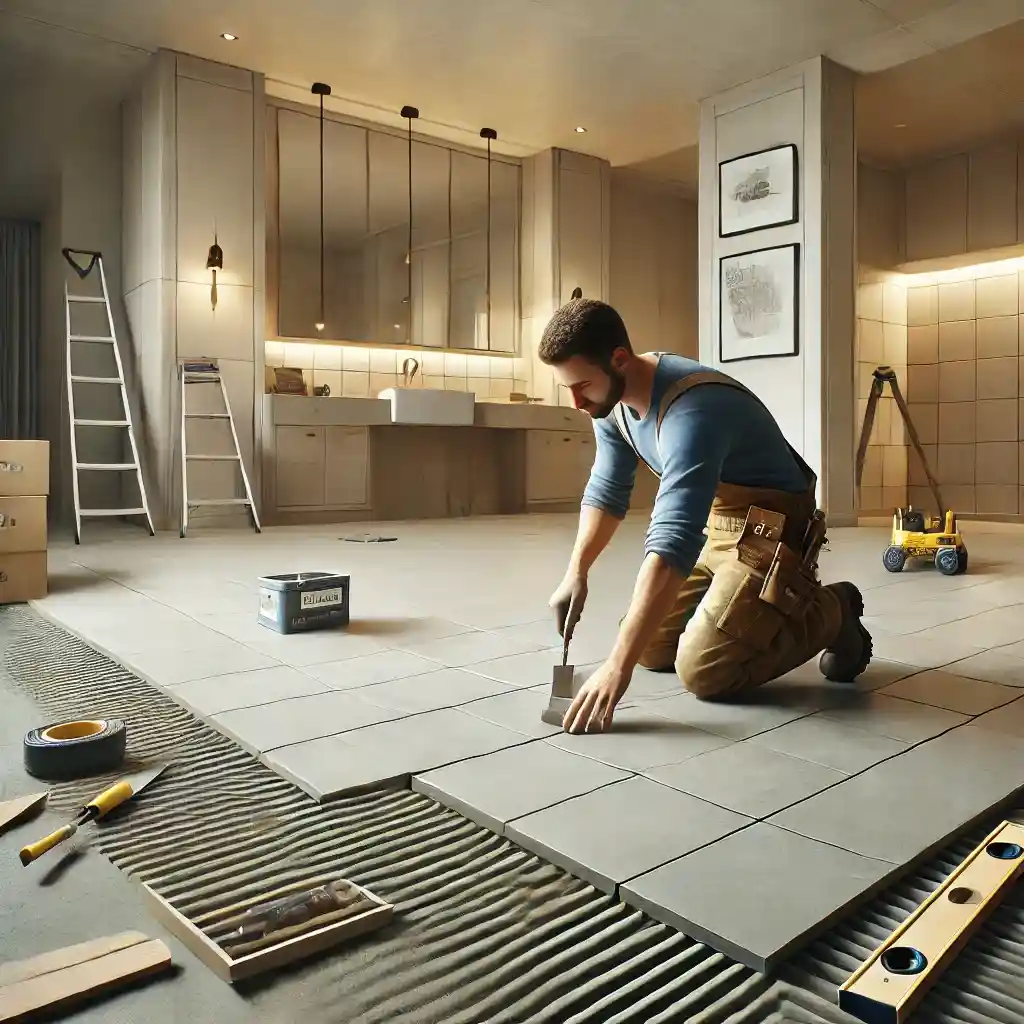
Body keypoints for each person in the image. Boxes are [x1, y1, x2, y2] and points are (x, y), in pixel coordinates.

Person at [540, 298, 872, 735]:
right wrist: (575, 573)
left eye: (581, 385)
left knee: (705, 669)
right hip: (719, 525)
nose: (576, 402)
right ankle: (736, 608)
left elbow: (672, 540)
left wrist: (615, 669)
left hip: (770, 530)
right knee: (652, 647)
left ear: (619, 360)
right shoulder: (612, 405)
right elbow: (606, 490)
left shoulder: (693, 412)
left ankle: (834, 609)